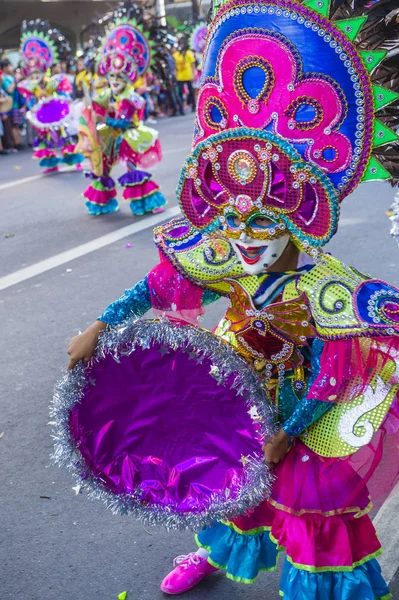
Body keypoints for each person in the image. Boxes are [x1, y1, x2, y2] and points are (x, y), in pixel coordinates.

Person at [65, 1, 399, 599]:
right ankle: (217, 553)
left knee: (310, 507)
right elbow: (158, 284)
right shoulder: (227, 254)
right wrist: (99, 323)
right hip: (237, 394)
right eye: (232, 225)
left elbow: (331, 373)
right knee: (223, 480)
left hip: (306, 417)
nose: (243, 240)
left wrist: (289, 432)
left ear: (296, 224)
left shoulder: (327, 289)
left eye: (262, 227)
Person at [77, 8, 167, 216]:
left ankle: (148, 203)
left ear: (127, 80)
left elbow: (123, 123)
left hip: (128, 137)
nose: (115, 82)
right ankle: (102, 203)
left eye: (119, 79)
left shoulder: (130, 98)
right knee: (103, 168)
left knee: (133, 171)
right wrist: (89, 106)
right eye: (112, 78)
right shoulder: (108, 93)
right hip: (110, 137)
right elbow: (95, 105)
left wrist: (105, 119)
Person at [0, 59, 24, 150]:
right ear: (5, 68)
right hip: (9, 106)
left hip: (16, 104)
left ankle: (18, 143)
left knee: (17, 125)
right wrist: (15, 80)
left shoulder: (11, 76)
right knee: (11, 126)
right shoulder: (4, 78)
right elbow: (9, 90)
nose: (11, 67)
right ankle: (15, 144)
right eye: (10, 65)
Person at [173, 39, 196, 112]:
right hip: (180, 77)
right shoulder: (175, 55)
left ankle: (193, 106)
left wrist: (194, 74)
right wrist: (175, 75)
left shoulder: (188, 53)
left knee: (191, 92)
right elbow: (174, 67)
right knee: (180, 93)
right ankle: (181, 108)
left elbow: (193, 64)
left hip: (188, 75)